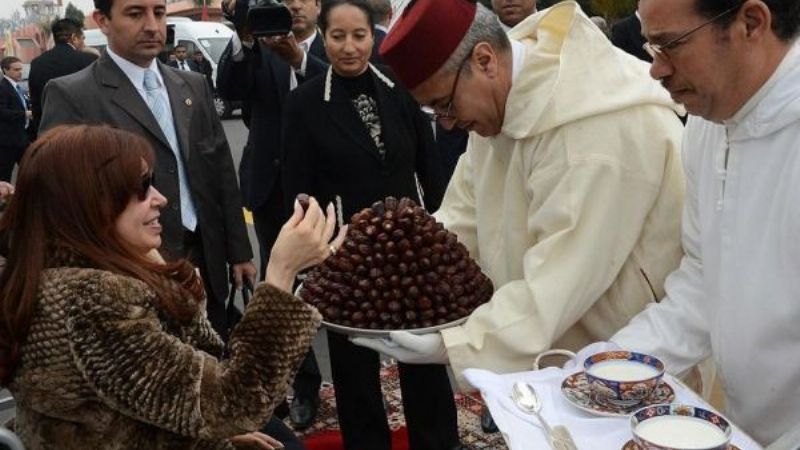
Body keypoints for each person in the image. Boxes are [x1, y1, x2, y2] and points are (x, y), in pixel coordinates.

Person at [353, 0, 690, 394]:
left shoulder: (592, 128)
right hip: (551, 343)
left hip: (626, 357)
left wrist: (457, 344)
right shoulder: (501, 102)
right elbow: (459, 222)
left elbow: (557, 279)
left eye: (445, 104)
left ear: (484, 60)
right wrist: (390, 278)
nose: (447, 123)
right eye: (433, 111)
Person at [0, 124, 346, 449]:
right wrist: (282, 273)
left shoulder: (45, 274)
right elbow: (233, 402)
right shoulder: (96, 300)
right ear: (88, 202)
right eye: (141, 187)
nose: (161, 198)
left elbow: (124, 407)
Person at [605, 0, 800, 445]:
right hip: (745, 425)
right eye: (650, 46)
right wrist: (604, 366)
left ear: (750, 23)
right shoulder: (708, 125)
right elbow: (702, 281)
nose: (656, 70)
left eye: (670, 45)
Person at [281, 2, 463, 449]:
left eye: (359, 35)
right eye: (338, 36)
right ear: (323, 36)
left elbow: (430, 169)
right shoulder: (304, 103)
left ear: (373, 36)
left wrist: (440, 235)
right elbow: (299, 191)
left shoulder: (398, 87)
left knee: (423, 355)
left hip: (408, 248)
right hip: (346, 256)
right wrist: (317, 259)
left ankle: (438, 440)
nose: (349, 47)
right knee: (354, 368)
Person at [39, 0, 258, 345]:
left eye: (159, 12)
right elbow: (59, 202)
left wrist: (239, 250)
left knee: (212, 375)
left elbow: (219, 172)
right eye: (135, 13)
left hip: (207, 257)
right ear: (103, 21)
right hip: (130, 272)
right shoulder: (73, 94)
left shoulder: (193, 86)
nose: (153, 25)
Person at [216, 0, 330, 430]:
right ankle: (303, 386)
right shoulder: (256, 48)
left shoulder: (335, 44)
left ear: (317, 6)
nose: (294, 6)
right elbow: (227, 88)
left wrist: (299, 59)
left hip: (321, 190)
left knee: (331, 284)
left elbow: (340, 90)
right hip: (269, 190)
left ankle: (356, 377)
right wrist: (245, 35)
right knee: (282, 290)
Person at [28, 18, 97, 139]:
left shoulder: (37, 63)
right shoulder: (88, 60)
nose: (84, 43)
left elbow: (36, 105)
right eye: (83, 38)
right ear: (74, 38)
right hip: (84, 134)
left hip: (50, 135)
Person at [0, 56, 31, 182]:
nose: (20, 72)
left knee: (30, 170)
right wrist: (25, 114)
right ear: (5, 70)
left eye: (21, 69)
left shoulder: (17, 87)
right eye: (16, 69)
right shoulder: (3, 88)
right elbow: (2, 112)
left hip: (21, 137)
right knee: (5, 175)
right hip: (8, 141)